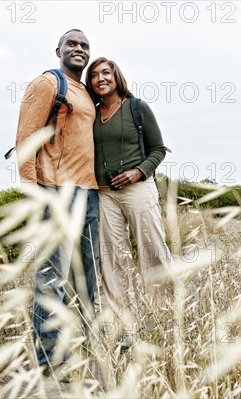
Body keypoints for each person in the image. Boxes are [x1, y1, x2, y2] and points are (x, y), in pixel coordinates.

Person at [15, 29, 99, 374]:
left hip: (89, 195)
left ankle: (87, 353)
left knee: (87, 281)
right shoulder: (47, 84)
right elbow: (25, 141)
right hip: (55, 191)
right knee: (52, 279)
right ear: (58, 50)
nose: (79, 49)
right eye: (72, 44)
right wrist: (34, 193)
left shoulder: (84, 91)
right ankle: (50, 363)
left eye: (84, 45)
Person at [85, 57, 171, 347]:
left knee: (152, 250)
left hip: (139, 189)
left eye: (105, 73)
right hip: (104, 193)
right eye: (94, 75)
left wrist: (138, 172)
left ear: (116, 76)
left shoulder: (137, 108)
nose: (100, 79)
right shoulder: (91, 114)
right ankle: (123, 328)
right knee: (112, 259)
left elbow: (158, 150)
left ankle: (163, 319)